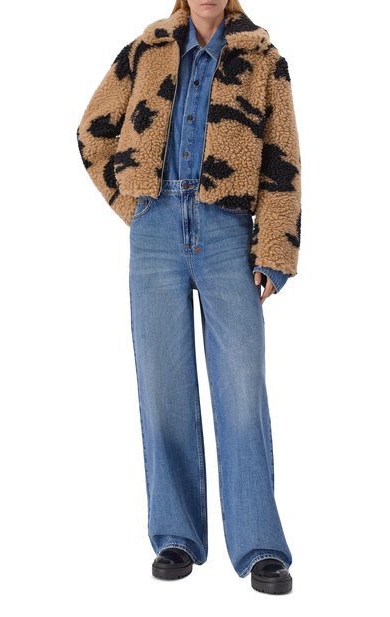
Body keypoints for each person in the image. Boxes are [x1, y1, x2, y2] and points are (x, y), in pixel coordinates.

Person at [77, 0, 301, 595]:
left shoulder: (264, 58)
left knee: (242, 391)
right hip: (155, 232)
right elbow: (91, 131)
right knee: (163, 388)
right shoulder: (147, 49)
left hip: (228, 234)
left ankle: (260, 546)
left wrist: (274, 253)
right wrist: (132, 206)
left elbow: (283, 158)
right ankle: (175, 535)